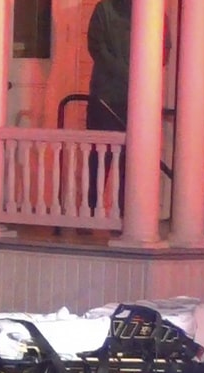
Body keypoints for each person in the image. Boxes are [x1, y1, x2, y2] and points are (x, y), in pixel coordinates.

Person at [86, 0, 170, 217]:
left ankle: (129, 214)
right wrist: (128, 73)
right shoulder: (104, 9)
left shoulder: (155, 11)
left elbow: (164, 49)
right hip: (106, 96)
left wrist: (141, 71)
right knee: (99, 156)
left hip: (140, 100)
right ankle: (90, 211)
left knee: (133, 160)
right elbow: (97, 47)